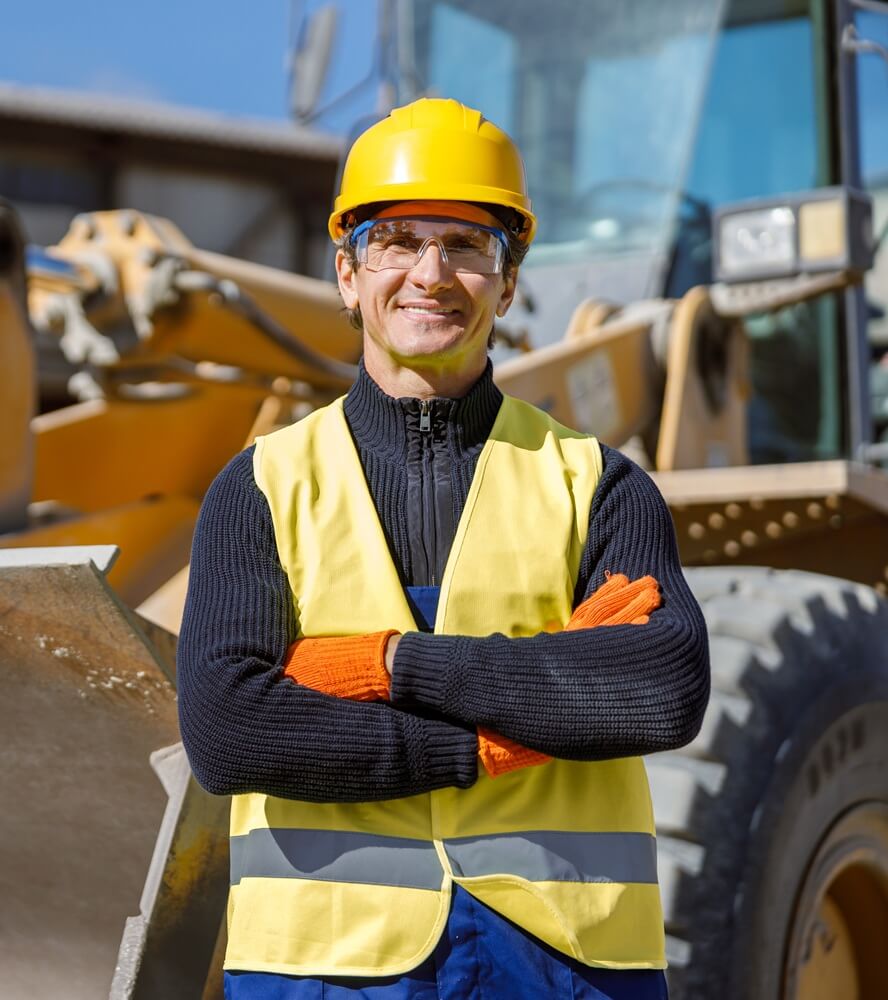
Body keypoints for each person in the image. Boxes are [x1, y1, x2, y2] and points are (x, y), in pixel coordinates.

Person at [178, 97, 710, 999]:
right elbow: (232, 731)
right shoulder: (260, 486)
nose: (433, 273)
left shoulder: (597, 484)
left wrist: (391, 662)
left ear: (507, 283)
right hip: (325, 972)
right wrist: (494, 739)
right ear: (348, 273)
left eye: (468, 244)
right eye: (399, 242)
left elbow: (658, 690)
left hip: (564, 965)